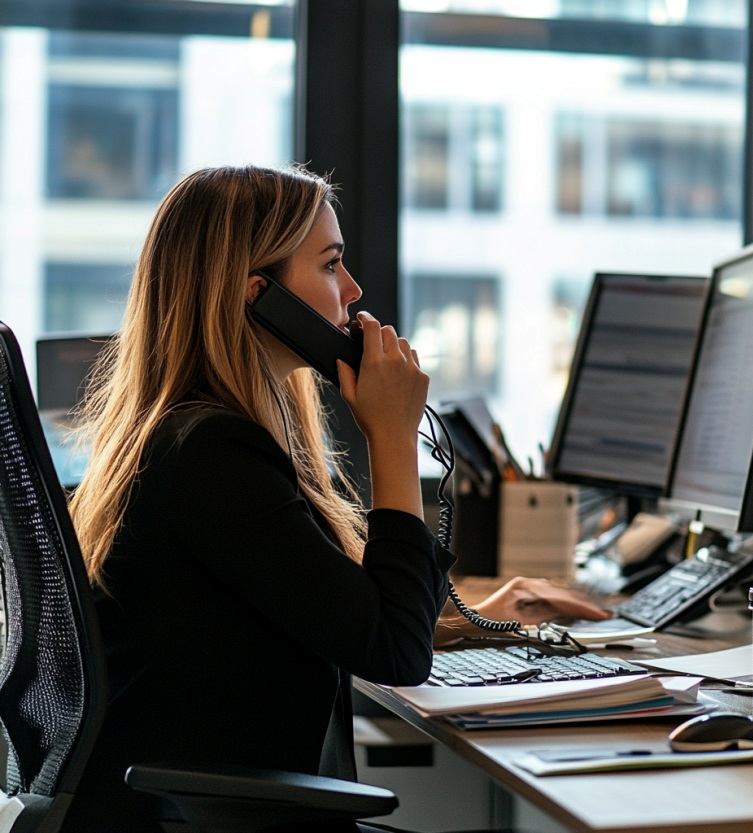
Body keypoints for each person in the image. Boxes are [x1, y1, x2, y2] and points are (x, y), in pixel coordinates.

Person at [65, 163, 608, 832]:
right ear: (257, 294)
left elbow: (324, 611)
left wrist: (476, 617)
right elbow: (390, 652)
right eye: (329, 265)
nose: (352, 290)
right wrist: (392, 437)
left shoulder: (191, 436)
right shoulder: (212, 454)